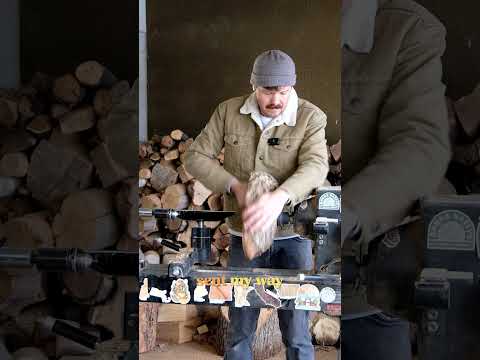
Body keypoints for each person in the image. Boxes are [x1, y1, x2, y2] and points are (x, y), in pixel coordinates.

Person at [184, 49, 329, 360]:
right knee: (240, 327)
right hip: (243, 234)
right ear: (253, 85)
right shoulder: (227, 112)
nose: (275, 100)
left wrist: (279, 198)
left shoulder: (311, 117)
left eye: (283, 91)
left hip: (293, 237)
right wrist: (235, 186)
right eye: (267, 92)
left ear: (293, 86)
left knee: (297, 330)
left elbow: (316, 166)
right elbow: (194, 157)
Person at [341, 0, 451, 359]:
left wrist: (348, 212)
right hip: (275, 278)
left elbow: (420, 146)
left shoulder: (407, 29)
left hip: (360, 292)